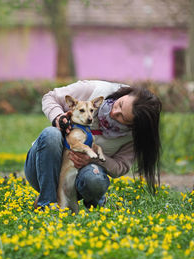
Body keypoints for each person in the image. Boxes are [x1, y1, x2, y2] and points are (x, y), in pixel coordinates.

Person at [24, 80, 162, 209]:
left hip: (77, 180)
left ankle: (92, 200)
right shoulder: (93, 90)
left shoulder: (132, 136)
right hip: (41, 169)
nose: (114, 112)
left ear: (133, 125)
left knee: (95, 178)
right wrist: (58, 117)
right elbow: (50, 97)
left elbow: (120, 167)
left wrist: (93, 158)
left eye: (122, 117)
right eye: (119, 104)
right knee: (51, 134)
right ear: (125, 94)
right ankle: (47, 203)